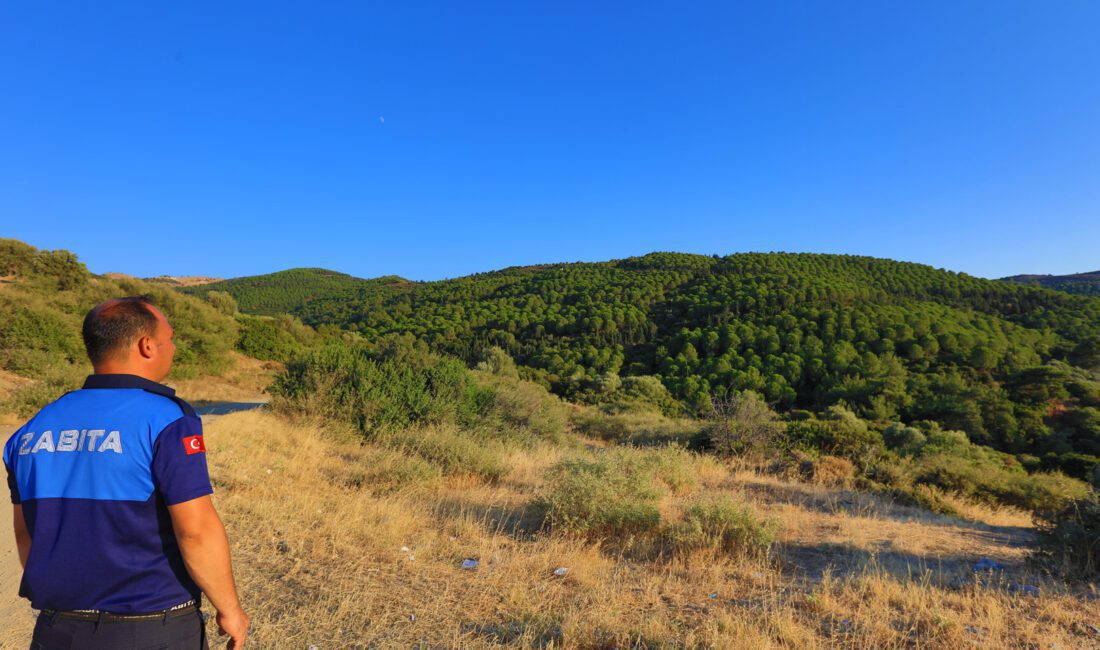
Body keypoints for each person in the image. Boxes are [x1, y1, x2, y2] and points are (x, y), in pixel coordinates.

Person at [2, 296, 249, 649]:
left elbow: (25, 532)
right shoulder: (167, 419)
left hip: (57, 629)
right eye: (170, 338)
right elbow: (195, 530)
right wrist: (230, 609)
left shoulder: (32, 428)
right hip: (150, 627)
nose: (173, 347)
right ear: (147, 346)